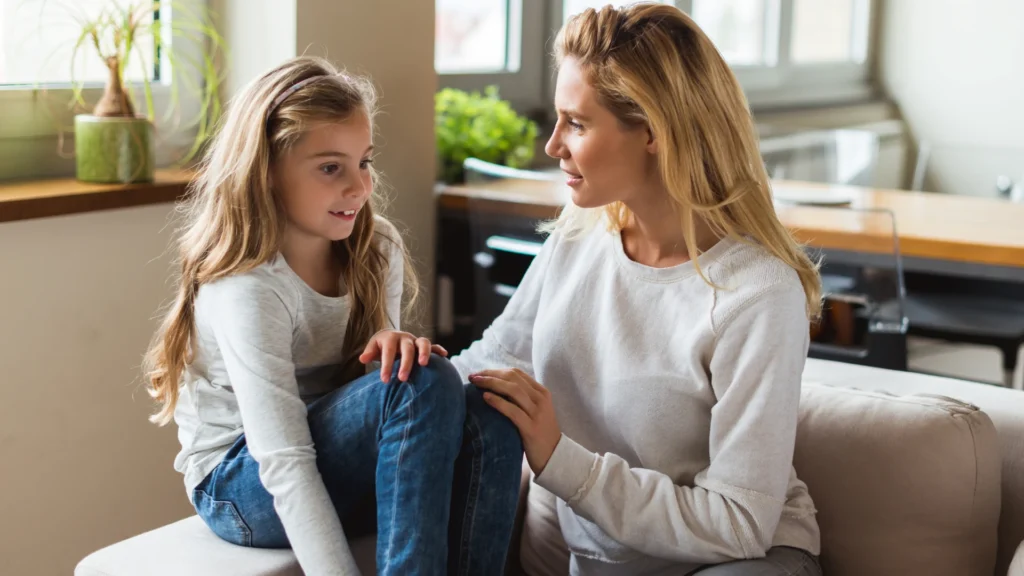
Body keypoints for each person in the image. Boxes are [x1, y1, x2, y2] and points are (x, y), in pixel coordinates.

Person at [451, 4, 823, 575]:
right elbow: (494, 364)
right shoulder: (577, 236)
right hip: (603, 559)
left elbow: (739, 525)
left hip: (740, 561)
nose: (553, 146)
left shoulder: (757, 295)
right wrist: (415, 372)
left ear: (653, 131)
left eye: (576, 123)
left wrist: (560, 460)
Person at [144, 56, 523, 576]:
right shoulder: (249, 287)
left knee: (484, 405)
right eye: (330, 168)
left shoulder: (376, 244)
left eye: (363, 162)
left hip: (335, 464)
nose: (359, 187)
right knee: (421, 381)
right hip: (241, 486)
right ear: (267, 171)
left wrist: (396, 350)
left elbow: (385, 405)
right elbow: (283, 460)